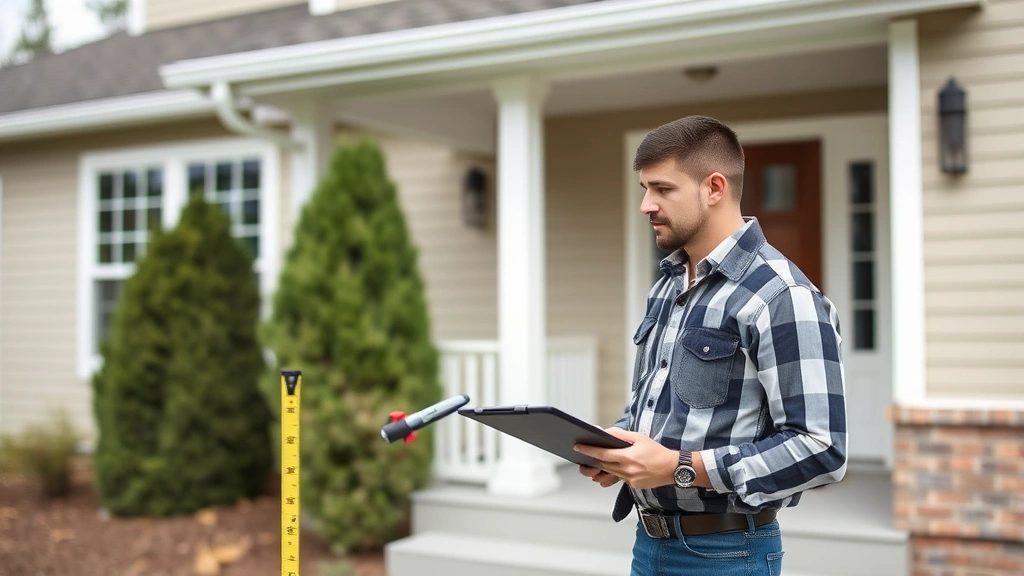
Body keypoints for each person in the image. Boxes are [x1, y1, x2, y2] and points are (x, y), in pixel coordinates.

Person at [573, 115, 847, 576]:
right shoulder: (668, 284)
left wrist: (677, 467)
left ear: (714, 187)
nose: (645, 205)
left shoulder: (782, 297)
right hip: (648, 544)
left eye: (662, 189)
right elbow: (666, 402)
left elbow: (820, 448)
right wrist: (622, 445)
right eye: (644, 189)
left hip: (727, 554)